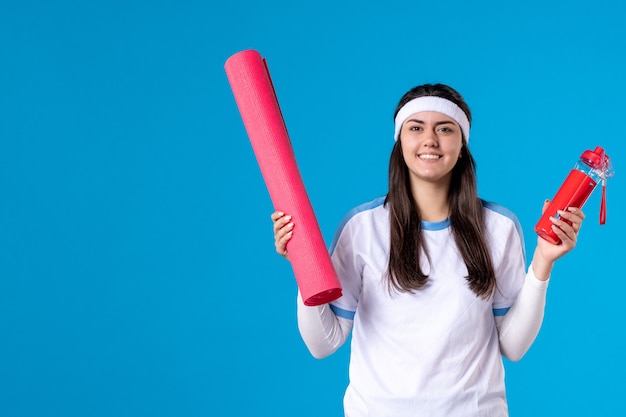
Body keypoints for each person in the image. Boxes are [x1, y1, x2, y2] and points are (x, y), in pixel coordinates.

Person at [271, 83, 585, 417]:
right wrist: (301, 266)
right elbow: (323, 343)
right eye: (416, 128)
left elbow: (514, 346)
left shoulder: (499, 227)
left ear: (462, 146)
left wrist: (543, 263)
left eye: (445, 129)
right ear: (400, 142)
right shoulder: (362, 228)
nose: (430, 140)